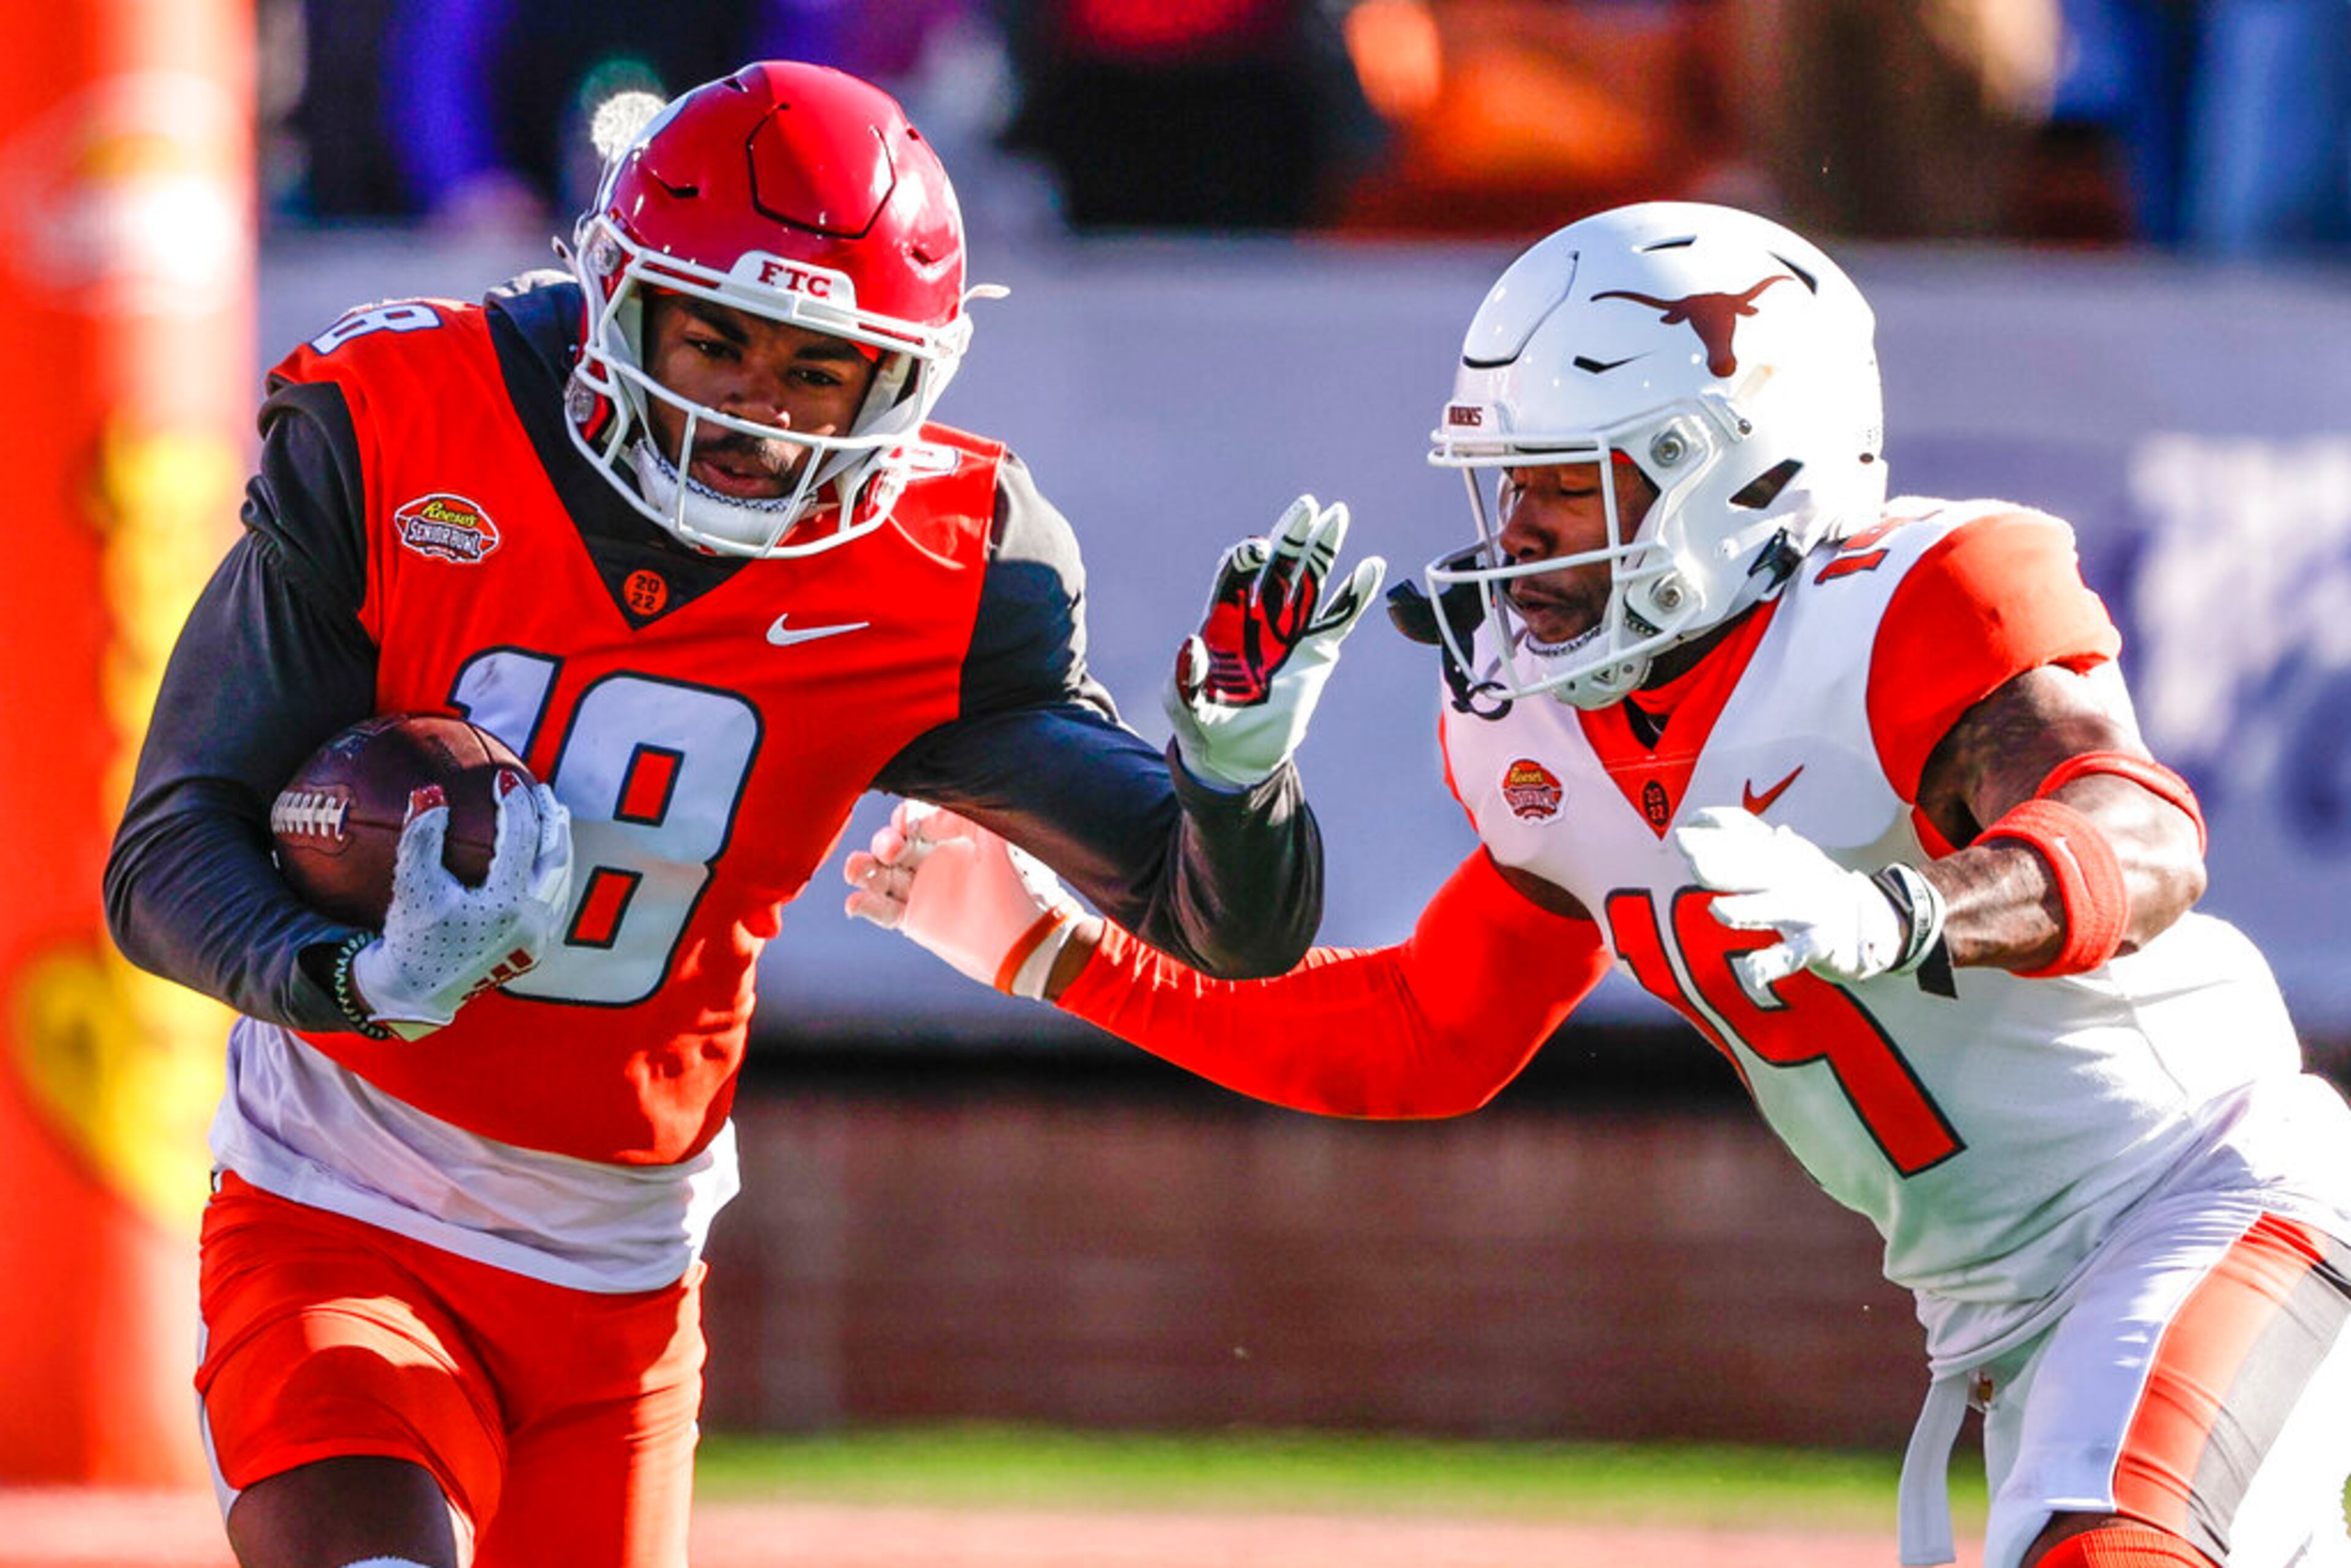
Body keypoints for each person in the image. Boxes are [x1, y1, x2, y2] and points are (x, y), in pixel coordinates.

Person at [846, 201, 2351, 1568]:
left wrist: (1908, 912)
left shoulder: (1910, 603)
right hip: (2006, 1308)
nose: (1520, 543)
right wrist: (1063, 955)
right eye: (1506, 491)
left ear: (1746, 464)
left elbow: (2141, 832)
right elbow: (1428, 1034)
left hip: (2211, 1191)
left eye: (1568, 487)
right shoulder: (1536, 730)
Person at [103, 60, 1381, 1568]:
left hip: (625, 1278)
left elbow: (1215, 924)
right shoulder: (402, 428)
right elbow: (169, 850)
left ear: (899, 383)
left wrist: (1235, 775)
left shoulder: (948, 571)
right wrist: (351, 979)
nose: (755, 414)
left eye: (815, 369)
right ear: (621, 300)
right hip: (344, 1190)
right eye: (714, 342)